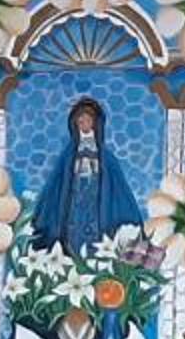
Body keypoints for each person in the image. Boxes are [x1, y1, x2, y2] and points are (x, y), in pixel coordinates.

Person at [31, 97, 143, 251]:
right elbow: (56, 183)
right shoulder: (68, 154)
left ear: (95, 123)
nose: (84, 124)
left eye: (88, 120)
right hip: (75, 198)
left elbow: (118, 186)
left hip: (96, 198)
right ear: (75, 124)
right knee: (73, 231)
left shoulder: (106, 157)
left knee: (95, 233)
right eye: (80, 121)